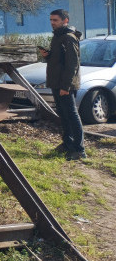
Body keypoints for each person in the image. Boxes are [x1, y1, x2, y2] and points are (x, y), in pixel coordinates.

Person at [41, 9, 85, 161]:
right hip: (56, 83)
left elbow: (72, 65)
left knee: (72, 116)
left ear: (65, 20)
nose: (52, 23)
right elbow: (59, 61)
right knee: (64, 115)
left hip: (66, 85)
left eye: (56, 20)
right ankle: (67, 144)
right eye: (51, 20)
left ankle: (79, 150)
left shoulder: (68, 38)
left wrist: (65, 87)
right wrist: (48, 56)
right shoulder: (58, 37)